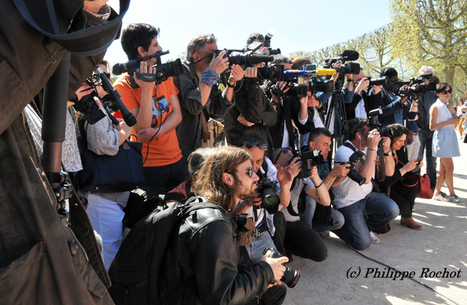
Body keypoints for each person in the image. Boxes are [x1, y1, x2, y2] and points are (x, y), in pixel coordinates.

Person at [161, 146, 288, 304]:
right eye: (249, 172)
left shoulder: (210, 207)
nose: (256, 177)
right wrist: (265, 271)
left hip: (194, 290)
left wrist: (263, 268)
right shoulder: (215, 223)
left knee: (275, 290)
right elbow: (222, 298)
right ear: (228, 179)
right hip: (193, 298)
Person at [113, 23, 187, 194]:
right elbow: (141, 127)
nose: (160, 48)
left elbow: (177, 114)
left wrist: (158, 131)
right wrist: (146, 91)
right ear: (141, 51)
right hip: (148, 167)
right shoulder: (123, 85)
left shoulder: (164, 76)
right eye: (155, 45)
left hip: (177, 160)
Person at [76, 61, 133, 268]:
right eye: (100, 75)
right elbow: (104, 144)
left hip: (104, 194)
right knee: (105, 259)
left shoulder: (95, 103)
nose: (106, 79)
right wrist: (125, 132)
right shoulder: (92, 103)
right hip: (102, 196)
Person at [332, 118, 399, 249]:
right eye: (369, 133)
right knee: (362, 244)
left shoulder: (369, 148)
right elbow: (365, 179)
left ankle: (364, 227)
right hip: (348, 201)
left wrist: (387, 151)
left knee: (392, 209)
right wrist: (372, 148)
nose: (372, 136)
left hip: (366, 197)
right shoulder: (344, 151)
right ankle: (336, 226)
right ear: (358, 135)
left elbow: (390, 172)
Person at [173, 34, 244, 157]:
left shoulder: (208, 75)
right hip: (179, 147)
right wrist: (212, 72)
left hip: (197, 147)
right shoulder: (180, 72)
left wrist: (231, 84)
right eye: (212, 55)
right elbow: (195, 106)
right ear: (196, 56)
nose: (216, 59)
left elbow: (218, 109)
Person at [230, 137, 294, 262]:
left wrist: (284, 184)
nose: (254, 167)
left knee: (283, 276)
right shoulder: (229, 172)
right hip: (237, 237)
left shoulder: (266, 165)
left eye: (258, 161)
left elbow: (284, 202)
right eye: (249, 161)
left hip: (261, 234)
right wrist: (246, 203)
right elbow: (225, 216)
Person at [271, 147, 329, 262]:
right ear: (277, 166)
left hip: (294, 224)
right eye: (290, 162)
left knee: (320, 253)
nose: (295, 164)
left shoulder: (301, 179)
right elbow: (276, 208)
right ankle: (280, 254)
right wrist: (289, 178)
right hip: (275, 226)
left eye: (296, 161)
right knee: (278, 217)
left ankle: (287, 246)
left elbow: (325, 201)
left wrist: (315, 176)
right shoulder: (271, 179)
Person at [378, 124, 424, 229]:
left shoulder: (399, 150)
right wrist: (404, 170)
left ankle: (406, 218)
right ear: (390, 139)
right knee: (404, 206)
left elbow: (405, 166)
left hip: (397, 183)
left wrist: (416, 165)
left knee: (413, 183)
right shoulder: (380, 153)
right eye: (400, 141)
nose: (403, 144)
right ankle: (406, 215)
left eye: (404, 141)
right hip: (386, 188)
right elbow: (384, 182)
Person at [302, 128, 347, 233]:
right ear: (312, 145)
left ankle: (312, 231)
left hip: (321, 202)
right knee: (311, 201)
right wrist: (332, 175)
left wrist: (341, 175)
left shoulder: (322, 159)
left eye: (329, 145)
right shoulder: (303, 160)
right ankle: (307, 234)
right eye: (325, 145)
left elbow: (330, 186)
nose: (329, 149)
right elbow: (317, 193)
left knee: (339, 220)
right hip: (304, 204)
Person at [430, 82, 461, 203]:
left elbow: (454, 122)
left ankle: (436, 193)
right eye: (445, 92)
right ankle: (452, 193)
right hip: (441, 137)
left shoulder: (448, 106)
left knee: (443, 168)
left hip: (449, 136)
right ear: (438, 94)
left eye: (449, 91)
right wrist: (450, 121)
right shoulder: (435, 107)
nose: (448, 94)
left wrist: (454, 113)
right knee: (450, 167)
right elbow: (432, 126)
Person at [416, 66, 439, 190]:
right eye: (422, 77)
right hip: (421, 129)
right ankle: (416, 186)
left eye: (428, 76)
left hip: (434, 130)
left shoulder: (437, 92)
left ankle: (431, 187)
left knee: (432, 161)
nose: (425, 80)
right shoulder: (416, 91)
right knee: (418, 159)